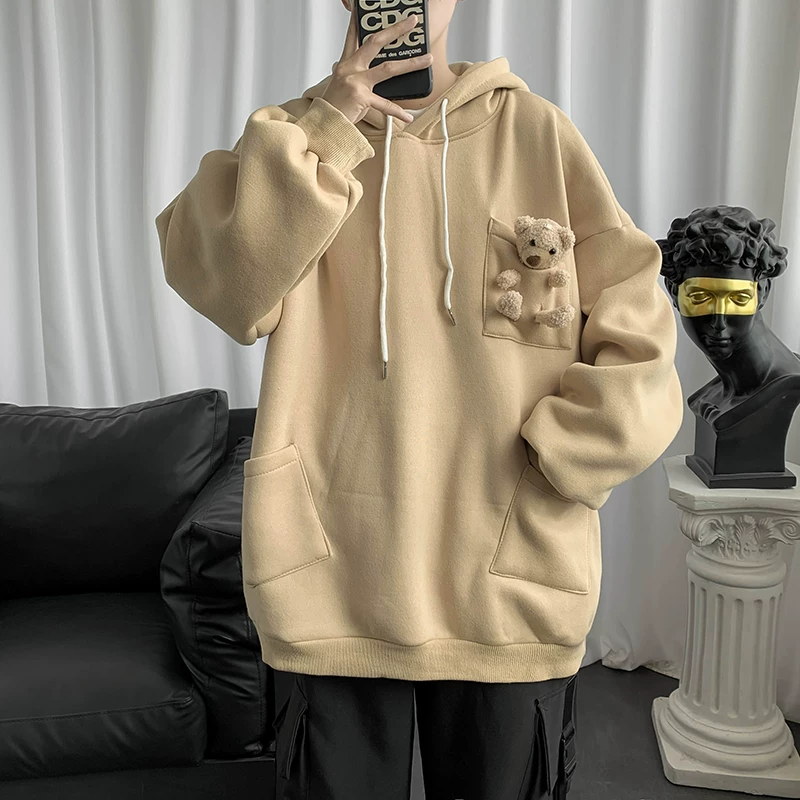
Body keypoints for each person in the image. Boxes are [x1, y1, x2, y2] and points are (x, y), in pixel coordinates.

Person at [154, 0, 684, 797]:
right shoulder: (292, 141)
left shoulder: (537, 133)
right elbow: (226, 288)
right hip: (329, 578)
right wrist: (331, 125)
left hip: (508, 573)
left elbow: (637, 319)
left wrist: (570, 453)